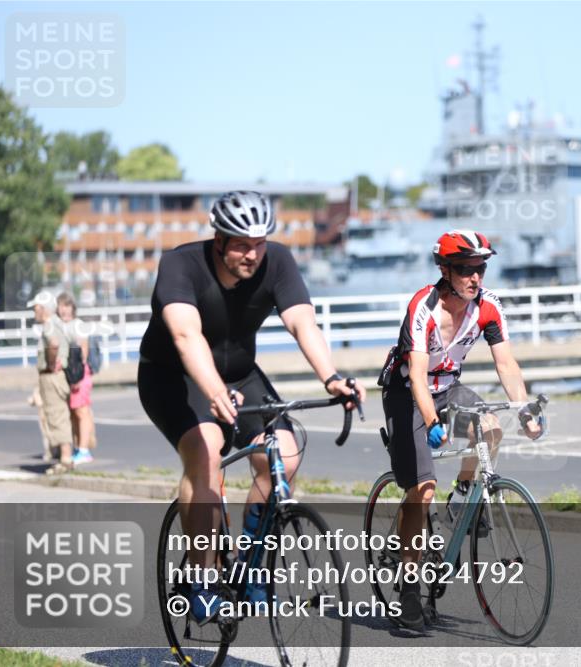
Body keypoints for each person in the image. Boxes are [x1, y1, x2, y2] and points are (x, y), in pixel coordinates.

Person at [137, 191, 364, 624]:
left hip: (241, 375)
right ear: (219, 240)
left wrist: (332, 378)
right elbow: (186, 336)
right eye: (241, 244)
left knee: (284, 455)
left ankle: (252, 568)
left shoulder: (277, 261)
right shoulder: (181, 264)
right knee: (206, 451)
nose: (253, 254)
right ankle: (202, 579)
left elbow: (302, 323)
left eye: (259, 243)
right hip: (173, 376)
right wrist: (214, 392)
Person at [379, 229, 543, 630]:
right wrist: (431, 422)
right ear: (445, 271)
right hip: (407, 392)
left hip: (449, 388)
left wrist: (525, 410)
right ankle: (409, 587)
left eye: (481, 269)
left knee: (491, 428)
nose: (475, 277)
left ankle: (464, 494)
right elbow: (417, 376)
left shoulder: (488, 306)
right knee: (422, 489)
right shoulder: (423, 307)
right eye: (466, 269)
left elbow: (506, 363)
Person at [27, 291, 74, 473]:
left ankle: (65, 459)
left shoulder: (49, 325)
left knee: (56, 416)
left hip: (52, 376)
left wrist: (52, 362)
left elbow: (53, 344)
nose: (34, 312)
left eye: (36, 308)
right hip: (56, 376)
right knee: (58, 415)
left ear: (44, 309)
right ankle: (63, 457)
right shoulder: (57, 323)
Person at [56, 293, 97, 465]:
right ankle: (78, 446)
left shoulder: (78, 325)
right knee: (73, 413)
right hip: (68, 374)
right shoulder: (58, 326)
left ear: (73, 308)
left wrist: (78, 376)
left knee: (82, 411)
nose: (64, 310)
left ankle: (84, 450)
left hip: (79, 373)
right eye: (61, 306)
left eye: (67, 306)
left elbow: (83, 352)